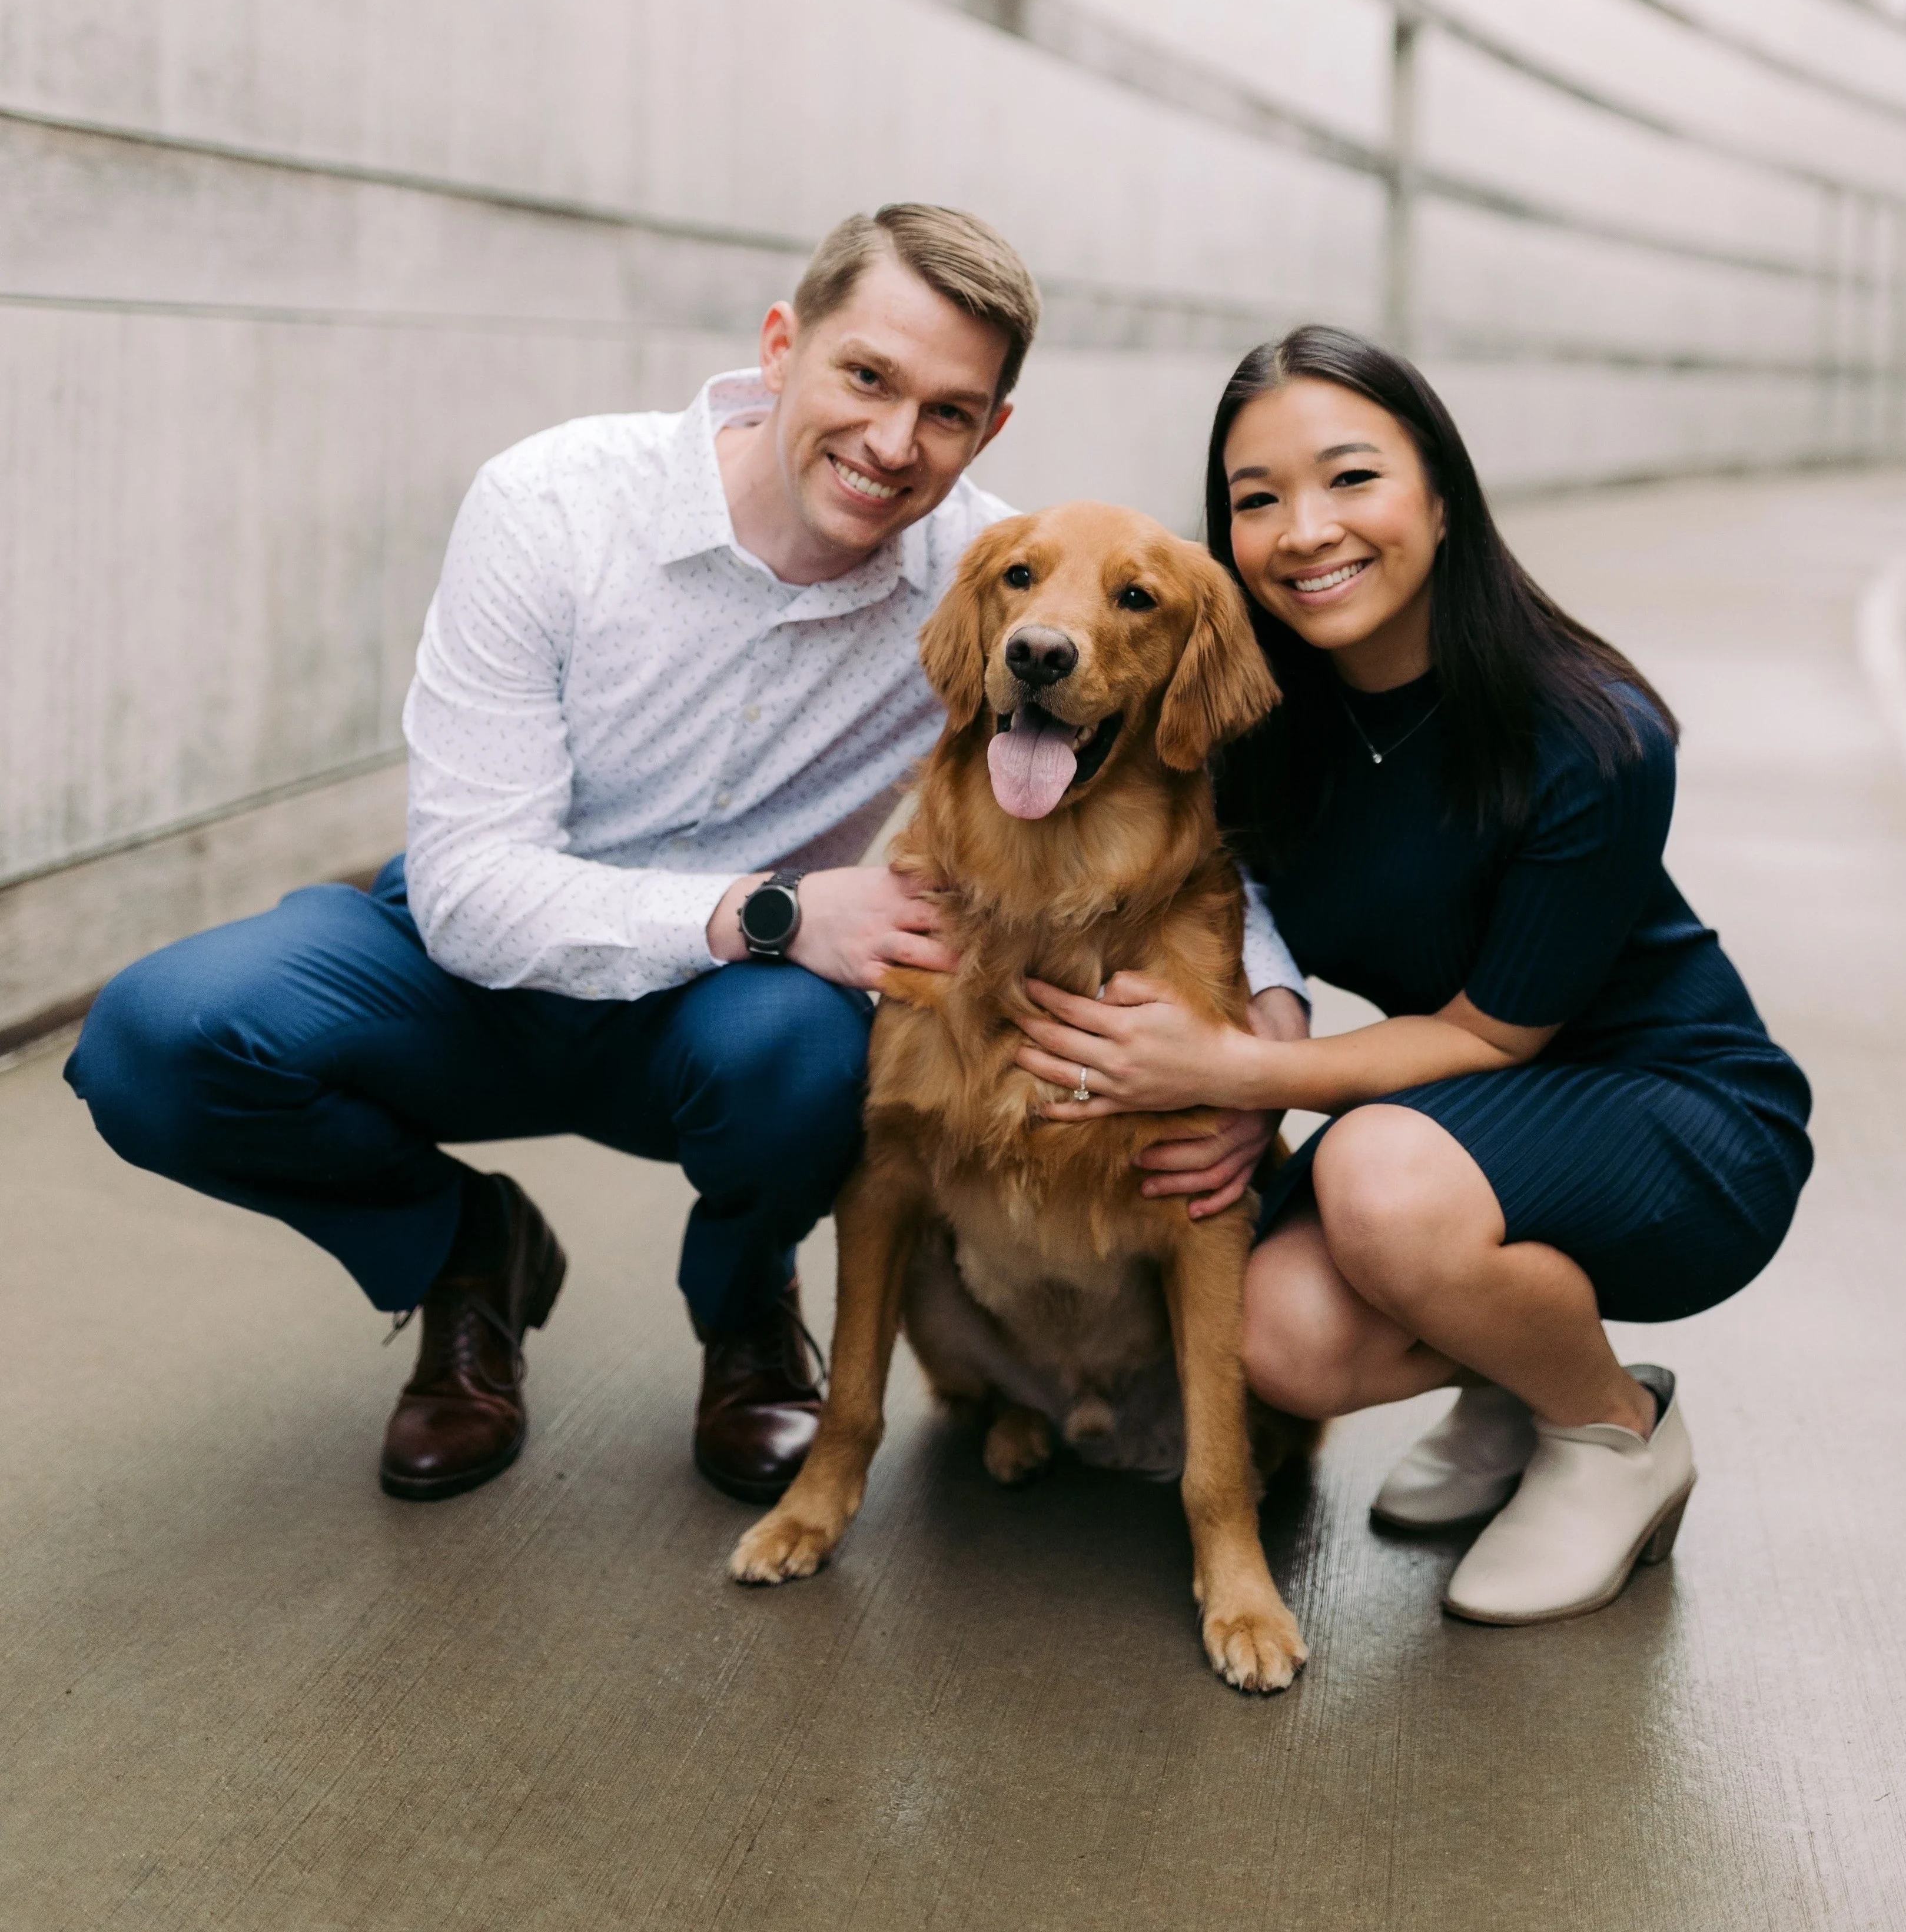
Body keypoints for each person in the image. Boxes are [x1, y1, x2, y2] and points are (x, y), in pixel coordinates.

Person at [64, 201, 1307, 1512]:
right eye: (864, 376)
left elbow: (1180, 822)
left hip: (717, 1023)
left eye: (947, 412)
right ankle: (461, 1255)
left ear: (988, 431)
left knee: (808, 1058)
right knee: (159, 1036)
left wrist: (1252, 1045)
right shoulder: (549, 506)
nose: (893, 443)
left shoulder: (1001, 579)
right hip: (466, 965)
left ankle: (746, 1316)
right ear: (781, 346)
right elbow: (475, 891)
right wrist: (769, 912)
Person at [1011, 326, 1811, 1627]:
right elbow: (1235, 898)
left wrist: (1244, 1074)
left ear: (1440, 495)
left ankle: (1608, 1431)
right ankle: (1511, 1364)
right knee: (1273, 1337)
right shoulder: (1256, 712)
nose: (1302, 530)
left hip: (1678, 1112)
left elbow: (1495, 1037)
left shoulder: (1591, 731)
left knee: (1373, 1179)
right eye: (1254, 499)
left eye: (1348, 479)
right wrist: (1244, 1045)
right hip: (1472, 1121)